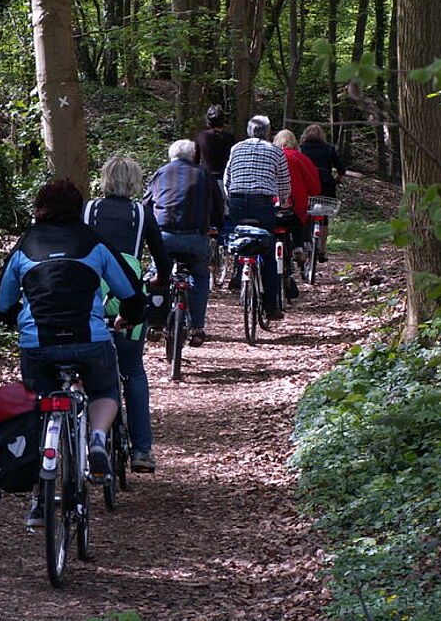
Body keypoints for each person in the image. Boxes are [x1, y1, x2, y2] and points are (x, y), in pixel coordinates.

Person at [0, 179, 146, 528]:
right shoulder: (93, 242)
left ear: (38, 208)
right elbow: (131, 294)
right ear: (79, 209)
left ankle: (37, 502)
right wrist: (126, 317)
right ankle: (96, 438)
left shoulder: (25, 245)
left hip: (38, 344)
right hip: (89, 339)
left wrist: (25, 320)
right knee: (105, 390)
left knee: (36, 409)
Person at [84, 157, 172, 473]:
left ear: (105, 179)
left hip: (91, 298)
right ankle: (142, 450)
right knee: (133, 370)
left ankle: (85, 437)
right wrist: (160, 279)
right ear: (136, 182)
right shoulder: (140, 213)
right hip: (128, 297)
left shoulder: (87, 210)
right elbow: (162, 257)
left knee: (87, 368)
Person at [142, 139, 223, 347]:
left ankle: (156, 322)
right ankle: (197, 328)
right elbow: (218, 207)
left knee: (157, 273)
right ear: (193, 156)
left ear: (171, 156)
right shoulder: (205, 175)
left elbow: (146, 205)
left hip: (164, 237)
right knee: (200, 275)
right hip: (195, 238)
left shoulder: (160, 173)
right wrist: (215, 226)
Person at [223, 115, 291, 321]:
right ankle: (271, 306)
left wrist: (231, 198)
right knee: (268, 250)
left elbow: (228, 179)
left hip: (237, 201)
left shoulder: (236, 148)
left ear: (248, 131)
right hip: (262, 202)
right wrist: (284, 200)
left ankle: (238, 273)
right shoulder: (275, 150)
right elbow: (284, 183)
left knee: (240, 239)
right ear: (268, 132)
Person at [272, 129, 321, 268]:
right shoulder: (300, 158)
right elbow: (314, 185)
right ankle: (298, 246)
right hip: (296, 203)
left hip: (274, 202)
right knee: (298, 220)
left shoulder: (271, 157)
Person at [299, 123, 346, 262]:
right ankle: (322, 250)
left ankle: (305, 243)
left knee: (306, 214)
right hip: (326, 184)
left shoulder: (301, 149)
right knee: (324, 217)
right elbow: (341, 169)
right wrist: (337, 179)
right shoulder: (329, 149)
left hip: (307, 184)